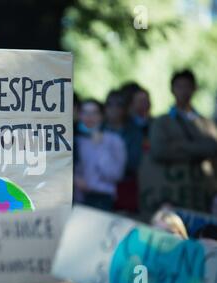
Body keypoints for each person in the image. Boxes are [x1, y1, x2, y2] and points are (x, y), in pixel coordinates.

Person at [140, 70, 217, 214]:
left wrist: (178, 145)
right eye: (179, 86)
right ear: (172, 89)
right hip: (171, 192)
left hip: (200, 194)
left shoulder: (206, 123)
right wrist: (199, 150)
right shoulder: (161, 122)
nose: (183, 91)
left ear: (194, 89)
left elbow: (212, 147)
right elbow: (159, 151)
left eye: (187, 86)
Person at [74, 99, 127, 211]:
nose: (89, 117)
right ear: (79, 115)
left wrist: (99, 147)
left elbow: (115, 175)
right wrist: (74, 179)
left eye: (94, 113)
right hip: (77, 200)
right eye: (85, 112)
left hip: (103, 199)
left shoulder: (114, 140)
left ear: (101, 116)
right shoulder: (73, 140)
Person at [104, 90, 144, 213]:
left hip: (126, 188)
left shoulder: (134, 132)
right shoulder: (97, 129)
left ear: (126, 108)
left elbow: (133, 162)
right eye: (110, 104)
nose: (114, 108)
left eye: (119, 104)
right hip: (100, 190)